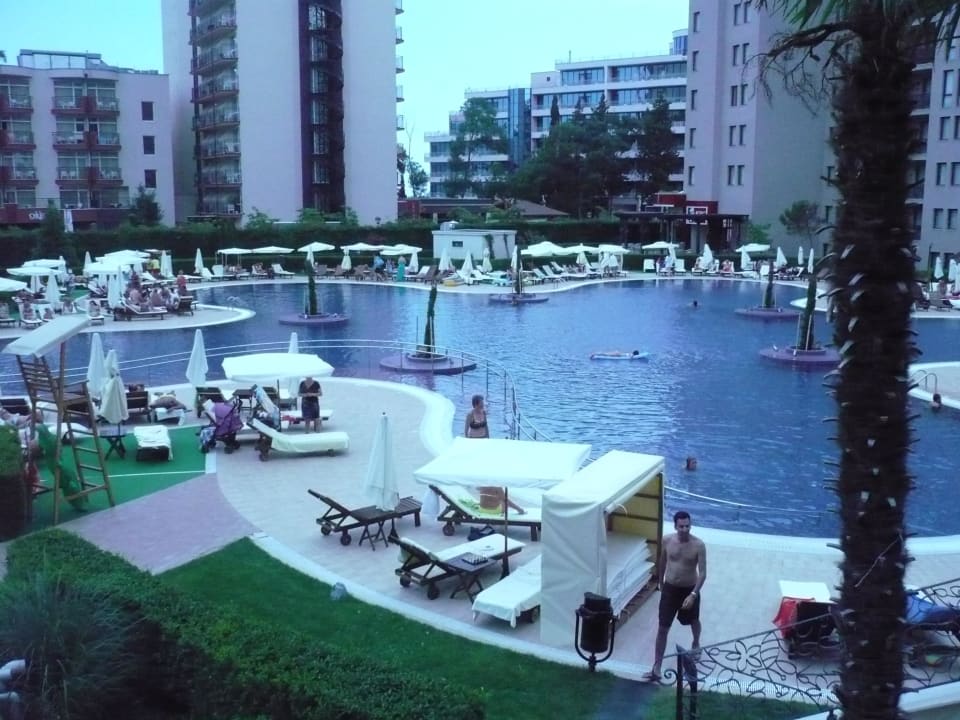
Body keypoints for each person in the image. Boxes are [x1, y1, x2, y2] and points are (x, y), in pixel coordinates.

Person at [645, 510, 707, 682]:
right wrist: (661, 583)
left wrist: (693, 594)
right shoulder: (667, 540)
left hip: (689, 590)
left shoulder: (698, 545)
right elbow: (663, 561)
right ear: (675, 526)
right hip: (670, 590)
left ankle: (696, 642)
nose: (685, 529)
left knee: (694, 620)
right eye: (681, 526)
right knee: (663, 627)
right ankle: (657, 666)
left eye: (687, 526)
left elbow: (703, 573)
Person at [465, 395, 526, 515]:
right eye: (481, 403)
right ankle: (518, 510)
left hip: (483, 439)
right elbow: (466, 428)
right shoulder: (470, 414)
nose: (483, 404)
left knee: (482, 460)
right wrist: (466, 442)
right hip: (473, 440)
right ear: (476, 404)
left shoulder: (483, 413)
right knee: (476, 461)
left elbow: (486, 426)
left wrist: (489, 439)